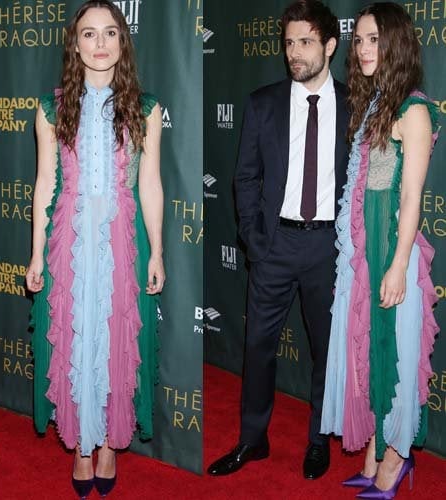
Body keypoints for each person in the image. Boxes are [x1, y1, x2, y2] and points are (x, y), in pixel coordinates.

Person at [25, 1, 164, 497]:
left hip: (125, 239)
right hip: (71, 239)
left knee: (115, 338)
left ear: (122, 42)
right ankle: (82, 446)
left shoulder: (147, 109)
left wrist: (158, 252)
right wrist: (38, 253)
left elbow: (151, 185)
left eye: (110, 32)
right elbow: (45, 184)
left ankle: (107, 443)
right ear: (75, 43)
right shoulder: (51, 107)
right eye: (89, 34)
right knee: (76, 337)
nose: (100, 43)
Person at [207, 0, 348, 480]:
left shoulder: (354, 106)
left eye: (305, 41)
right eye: (289, 42)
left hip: (330, 250)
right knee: (258, 345)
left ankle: (318, 440)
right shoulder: (263, 102)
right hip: (274, 246)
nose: (295, 52)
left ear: (329, 45)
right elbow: (244, 177)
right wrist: (253, 237)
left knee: (327, 351)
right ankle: (253, 439)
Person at [320, 3, 439, 498]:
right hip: (360, 256)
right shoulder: (373, 105)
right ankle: (373, 449)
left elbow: (410, 197)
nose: (365, 49)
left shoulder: (413, 109)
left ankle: (396, 458)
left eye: (375, 40)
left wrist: (395, 266)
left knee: (396, 354)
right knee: (365, 352)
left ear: (397, 44)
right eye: (361, 40)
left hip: (392, 252)